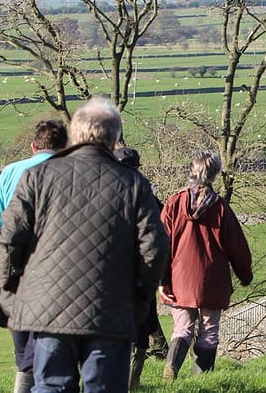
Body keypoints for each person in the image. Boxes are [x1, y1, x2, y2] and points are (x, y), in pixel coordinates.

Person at [0, 97, 169, 392]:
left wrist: (11, 293)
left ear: (74, 134)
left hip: (47, 307)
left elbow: (11, 238)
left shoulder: (37, 177)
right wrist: (139, 302)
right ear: (114, 138)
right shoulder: (133, 184)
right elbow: (154, 248)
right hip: (111, 308)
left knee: (51, 386)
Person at [0, 119, 67, 393]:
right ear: (66, 146)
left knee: (21, 335)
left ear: (33, 146)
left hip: (16, 265)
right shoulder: (71, 172)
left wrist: (3, 257)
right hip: (56, 268)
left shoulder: (10, 172)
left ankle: (24, 382)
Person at [158, 149, 253, 380]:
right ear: (214, 174)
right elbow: (236, 245)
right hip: (213, 279)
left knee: (182, 328)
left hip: (180, 278)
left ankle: (172, 366)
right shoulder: (220, 208)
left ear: (191, 170)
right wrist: (244, 274)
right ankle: (202, 381)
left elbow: (160, 243)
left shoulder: (174, 203)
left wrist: (162, 279)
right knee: (209, 330)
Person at [113, 146, 169, 390]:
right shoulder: (146, 192)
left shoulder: (103, 189)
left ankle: (118, 382)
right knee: (141, 330)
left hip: (111, 272)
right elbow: (160, 234)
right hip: (139, 273)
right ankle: (131, 384)